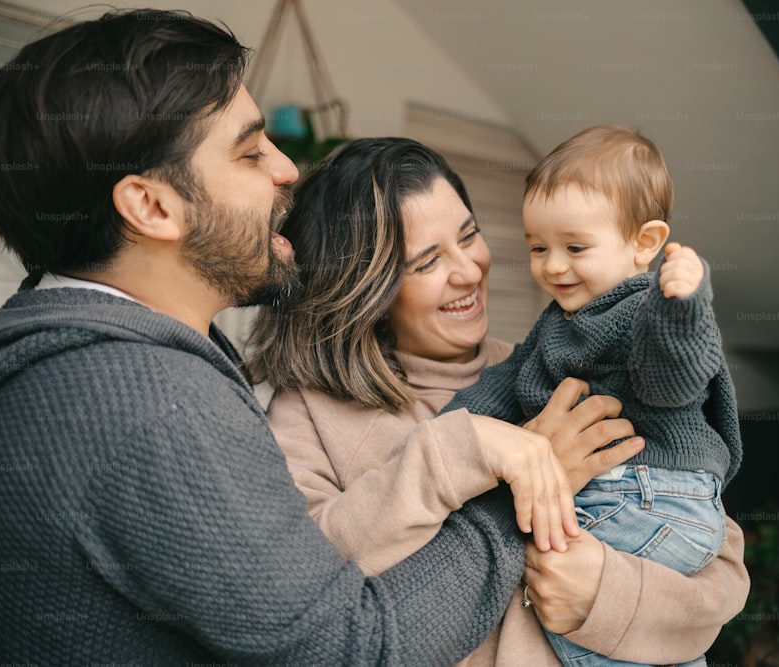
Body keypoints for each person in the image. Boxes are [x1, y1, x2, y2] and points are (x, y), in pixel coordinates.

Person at [0, 10, 562, 665]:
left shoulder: (74, 370)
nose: (286, 169)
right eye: (251, 151)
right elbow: (348, 649)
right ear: (153, 207)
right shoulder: (150, 404)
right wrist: (514, 499)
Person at [248, 137, 750, 666]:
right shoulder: (310, 412)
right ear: (363, 290)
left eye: (470, 237)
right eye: (426, 262)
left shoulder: (551, 369)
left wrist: (606, 595)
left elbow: (719, 560)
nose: (468, 271)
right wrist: (466, 458)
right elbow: (299, 583)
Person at [441, 124, 743, 666]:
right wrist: (452, 432)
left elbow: (671, 381)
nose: (553, 266)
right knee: (625, 635)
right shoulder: (562, 321)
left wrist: (682, 307)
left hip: (652, 493)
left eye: (575, 247)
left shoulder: (644, 308)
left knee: (546, 572)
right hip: (643, 497)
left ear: (644, 243)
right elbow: (509, 382)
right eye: (539, 247)